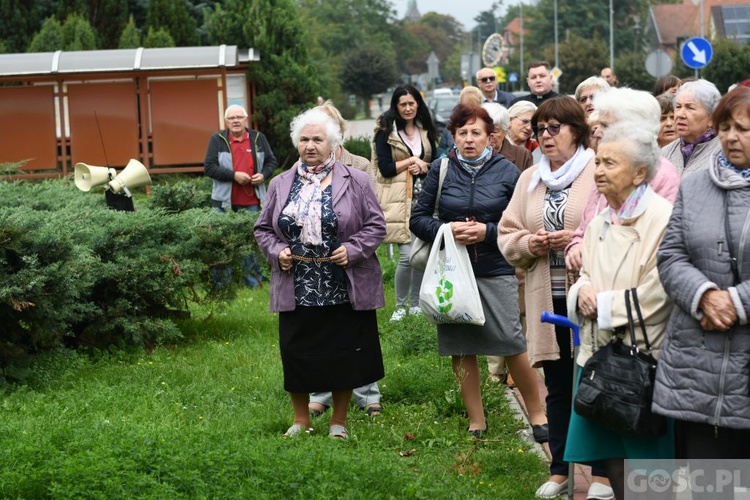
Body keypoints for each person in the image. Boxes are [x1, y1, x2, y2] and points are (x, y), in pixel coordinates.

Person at [410, 104, 548, 441]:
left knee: (511, 341)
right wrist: (448, 229)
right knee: (461, 346)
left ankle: (539, 415)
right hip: (453, 271)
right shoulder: (441, 168)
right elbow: (418, 219)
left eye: (476, 133)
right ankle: (476, 420)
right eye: (462, 133)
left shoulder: (507, 171)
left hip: (495, 267)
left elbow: (522, 220)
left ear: (491, 137)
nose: (469, 140)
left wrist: (487, 231)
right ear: (453, 136)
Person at [497, 97, 613, 500]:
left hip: (591, 300)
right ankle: (561, 468)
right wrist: (533, 241)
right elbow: (506, 235)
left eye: (553, 128)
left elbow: (614, 227)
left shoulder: (597, 169)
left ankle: (602, 472)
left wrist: (578, 240)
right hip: (548, 301)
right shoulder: (531, 177)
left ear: (576, 132)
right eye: (539, 129)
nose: (544, 136)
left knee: (597, 383)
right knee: (559, 386)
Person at [254, 108, 386, 439]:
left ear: (332, 143)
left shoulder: (355, 180)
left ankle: (338, 422)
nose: (310, 145)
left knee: (343, 352)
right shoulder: (280, 183)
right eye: (304, 139)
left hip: (342, 282)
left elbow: (376, 225)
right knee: (296, 351)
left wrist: (353, 250)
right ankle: (301, 420)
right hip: (297, 283)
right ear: (296, 143)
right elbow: (263, 230)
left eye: (317, 139)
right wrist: (277, 251)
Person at [565, 123, 675, 500]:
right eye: (597, 161)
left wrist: (603, 304)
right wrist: (581, 292)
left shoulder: (663, 219)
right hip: (597, 357)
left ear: (639, 172)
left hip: (641, 362)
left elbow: (659, 292)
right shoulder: (599, 220)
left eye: (610, 163)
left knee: (647, 465)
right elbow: (585, 274)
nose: (598, 171)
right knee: (609, 453)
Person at [653, 85, 750, 469]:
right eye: (725, 127)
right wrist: (705, 296)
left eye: (742, 128)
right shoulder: (694, 184)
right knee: (711, 481)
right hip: (698, 360)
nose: (731, 137)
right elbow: (671, 254)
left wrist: (736, 302)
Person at [305, 101, 383, 418]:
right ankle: (320, 392)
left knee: (358, 330)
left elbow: (374, 219)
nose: (316, 136)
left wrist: (351, 249)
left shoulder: (360, 167)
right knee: (319, 330)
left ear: (338, 132)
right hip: (313, 268)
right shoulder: (301, 171)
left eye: (325, 127)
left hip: (354, 263)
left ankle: (367, 393)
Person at [564, 88, 682, 275]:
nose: (598, 132)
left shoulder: (662, 174)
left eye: (606, 125)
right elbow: (586, 227)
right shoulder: (607, 169)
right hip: (597, 284)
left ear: (633, 128)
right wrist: (576, 247)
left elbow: (663, 247)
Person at [372, 84, 436, 321]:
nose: (408, 108)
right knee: (407, 256)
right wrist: (411, 161)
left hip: (425, 201)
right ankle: (400, 306)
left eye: (412, 103)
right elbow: (385, 168)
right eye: (403, 104)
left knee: (421, 255)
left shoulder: (426, 130)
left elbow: (436, 162)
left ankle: (417, 304)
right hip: (400, 201)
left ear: (418, 104)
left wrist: (425, 165)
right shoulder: (385, 133)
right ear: (396, 107)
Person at [482, 101, 533, 387]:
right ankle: (495, 367)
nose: (490, 139)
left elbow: (527, 194)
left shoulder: (521, 155)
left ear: (503, 132)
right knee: (493, 305)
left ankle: (519, 363)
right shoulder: (476, 158)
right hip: (489, 238)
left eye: (495, 132)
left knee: (520, 305)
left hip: (514, 233)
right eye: (485, 131)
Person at [204, 104, 278, 287]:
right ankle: (223, 285)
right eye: (231, 118)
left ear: (246, 120)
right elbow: (209, 167)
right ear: (226, 122)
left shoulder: (259, 138)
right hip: (223, 203)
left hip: (252, 201)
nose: (235, 121)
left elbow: (271, 161)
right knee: (222, 244)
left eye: (239, 117)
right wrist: (233, 175)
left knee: (249, 245)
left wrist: (263, 175)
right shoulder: (217, 139)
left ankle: (253, 283)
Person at [660, 79, 722, 178]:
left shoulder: (723, 153)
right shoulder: (666, 152)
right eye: (678, 106)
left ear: (711, 118)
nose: (680, 114)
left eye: (690, 108)